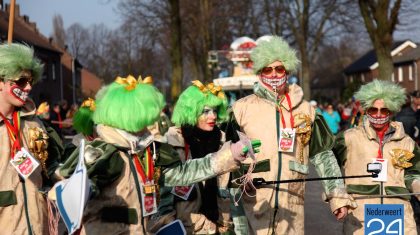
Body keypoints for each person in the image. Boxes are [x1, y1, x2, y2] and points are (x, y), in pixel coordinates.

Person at [57, 75, 257, 234]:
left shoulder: (149, 151)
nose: (152, 121)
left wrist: (229, 154)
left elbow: (184, 173)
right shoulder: (102, 153)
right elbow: (64, 192)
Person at [225, 36, 356, 234]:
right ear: (260, 72)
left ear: (287, 70)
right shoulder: (240, 109)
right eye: (268, 69)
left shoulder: (306, 110)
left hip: (293, 203)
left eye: (279, 69)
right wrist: (240, 182)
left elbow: (324, 156)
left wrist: (337, 197)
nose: (274, 74)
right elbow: (225, 157)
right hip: (253, 202)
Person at [155, 80, 255, 234]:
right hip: (187, 228)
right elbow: (163, 198)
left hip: (220, 226)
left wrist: (246, 179)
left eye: (215, 111)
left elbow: (231, 185)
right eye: (205, 111)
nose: (213, 116)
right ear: (191, 111)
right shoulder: (173, 143)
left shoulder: (223, 141)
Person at [333, 80, 420, 235]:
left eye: (384, 110)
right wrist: (338, 198)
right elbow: (329, 167)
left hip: (397, 214)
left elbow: (414, 174)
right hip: (360, 216)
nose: (378, 114)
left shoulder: (407, 142)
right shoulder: (349, 138)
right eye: (373, 110)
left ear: (391, 111)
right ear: (366, 110)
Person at [0, 43, 62, 234]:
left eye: (30, 81)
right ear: (0, 82)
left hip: (37, 224)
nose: (27, 87)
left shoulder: (34, 123)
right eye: (20, 81)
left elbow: (51, 166)